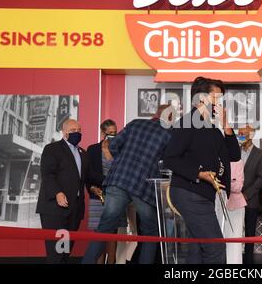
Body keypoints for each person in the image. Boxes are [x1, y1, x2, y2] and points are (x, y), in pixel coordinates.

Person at [82, 105, 173, 264]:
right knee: (150, 232)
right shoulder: (168, 135)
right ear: (170, 118)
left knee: (104, 228)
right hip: (143, 186)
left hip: (119, 179)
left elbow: (113, 145)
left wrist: (123, 164)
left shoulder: (135, 123)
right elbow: (168, 164)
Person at [164, 77, 241, 264]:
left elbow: (234, 155)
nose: (220, 103)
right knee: (215, 247)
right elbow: (170, 158)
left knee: (198, 249)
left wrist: (226, 125)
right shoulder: (187, 123)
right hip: (188, 192)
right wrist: (199, 173)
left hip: (204, 195)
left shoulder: (213, 130)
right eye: (216, 98)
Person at [36, 119, 89, 264]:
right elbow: (48, 174)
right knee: (56, 253)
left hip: (75, 210)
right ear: (64, 132)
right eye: (73, 130)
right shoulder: (52, 149)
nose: (77, 133)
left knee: (66, 251)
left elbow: (88, 178)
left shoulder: (83, 153)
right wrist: (57, 193)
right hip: (55, 208)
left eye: (79, 130)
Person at [86, 119, 119, 264]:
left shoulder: (120, 149)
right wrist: (95, 187)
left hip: (116, 197)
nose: (113, 135)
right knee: (98, 235)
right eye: (110, 133)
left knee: (112, 234)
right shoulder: (92, 149)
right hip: (97, 196)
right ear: (102, 133)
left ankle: (111, 261)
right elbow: (89, 174)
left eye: (115, 132)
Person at [237, 124, 262, 264]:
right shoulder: (234, 152)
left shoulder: (261, 155)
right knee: (235, 234)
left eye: (244, 133)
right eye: (239, 133)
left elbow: (261, 178)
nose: (241, 135)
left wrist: (246, 194)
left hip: (251, 201)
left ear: (251, 135)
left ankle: (248, 263)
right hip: (234, 200)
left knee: (249, 235)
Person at [215, 160, 247, 264]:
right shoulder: (214, 158)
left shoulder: (237, 161)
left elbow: (238, 186)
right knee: (216, 244)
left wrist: (221, 181)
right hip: (216, 205)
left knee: (233, 245)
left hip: (234, 208)